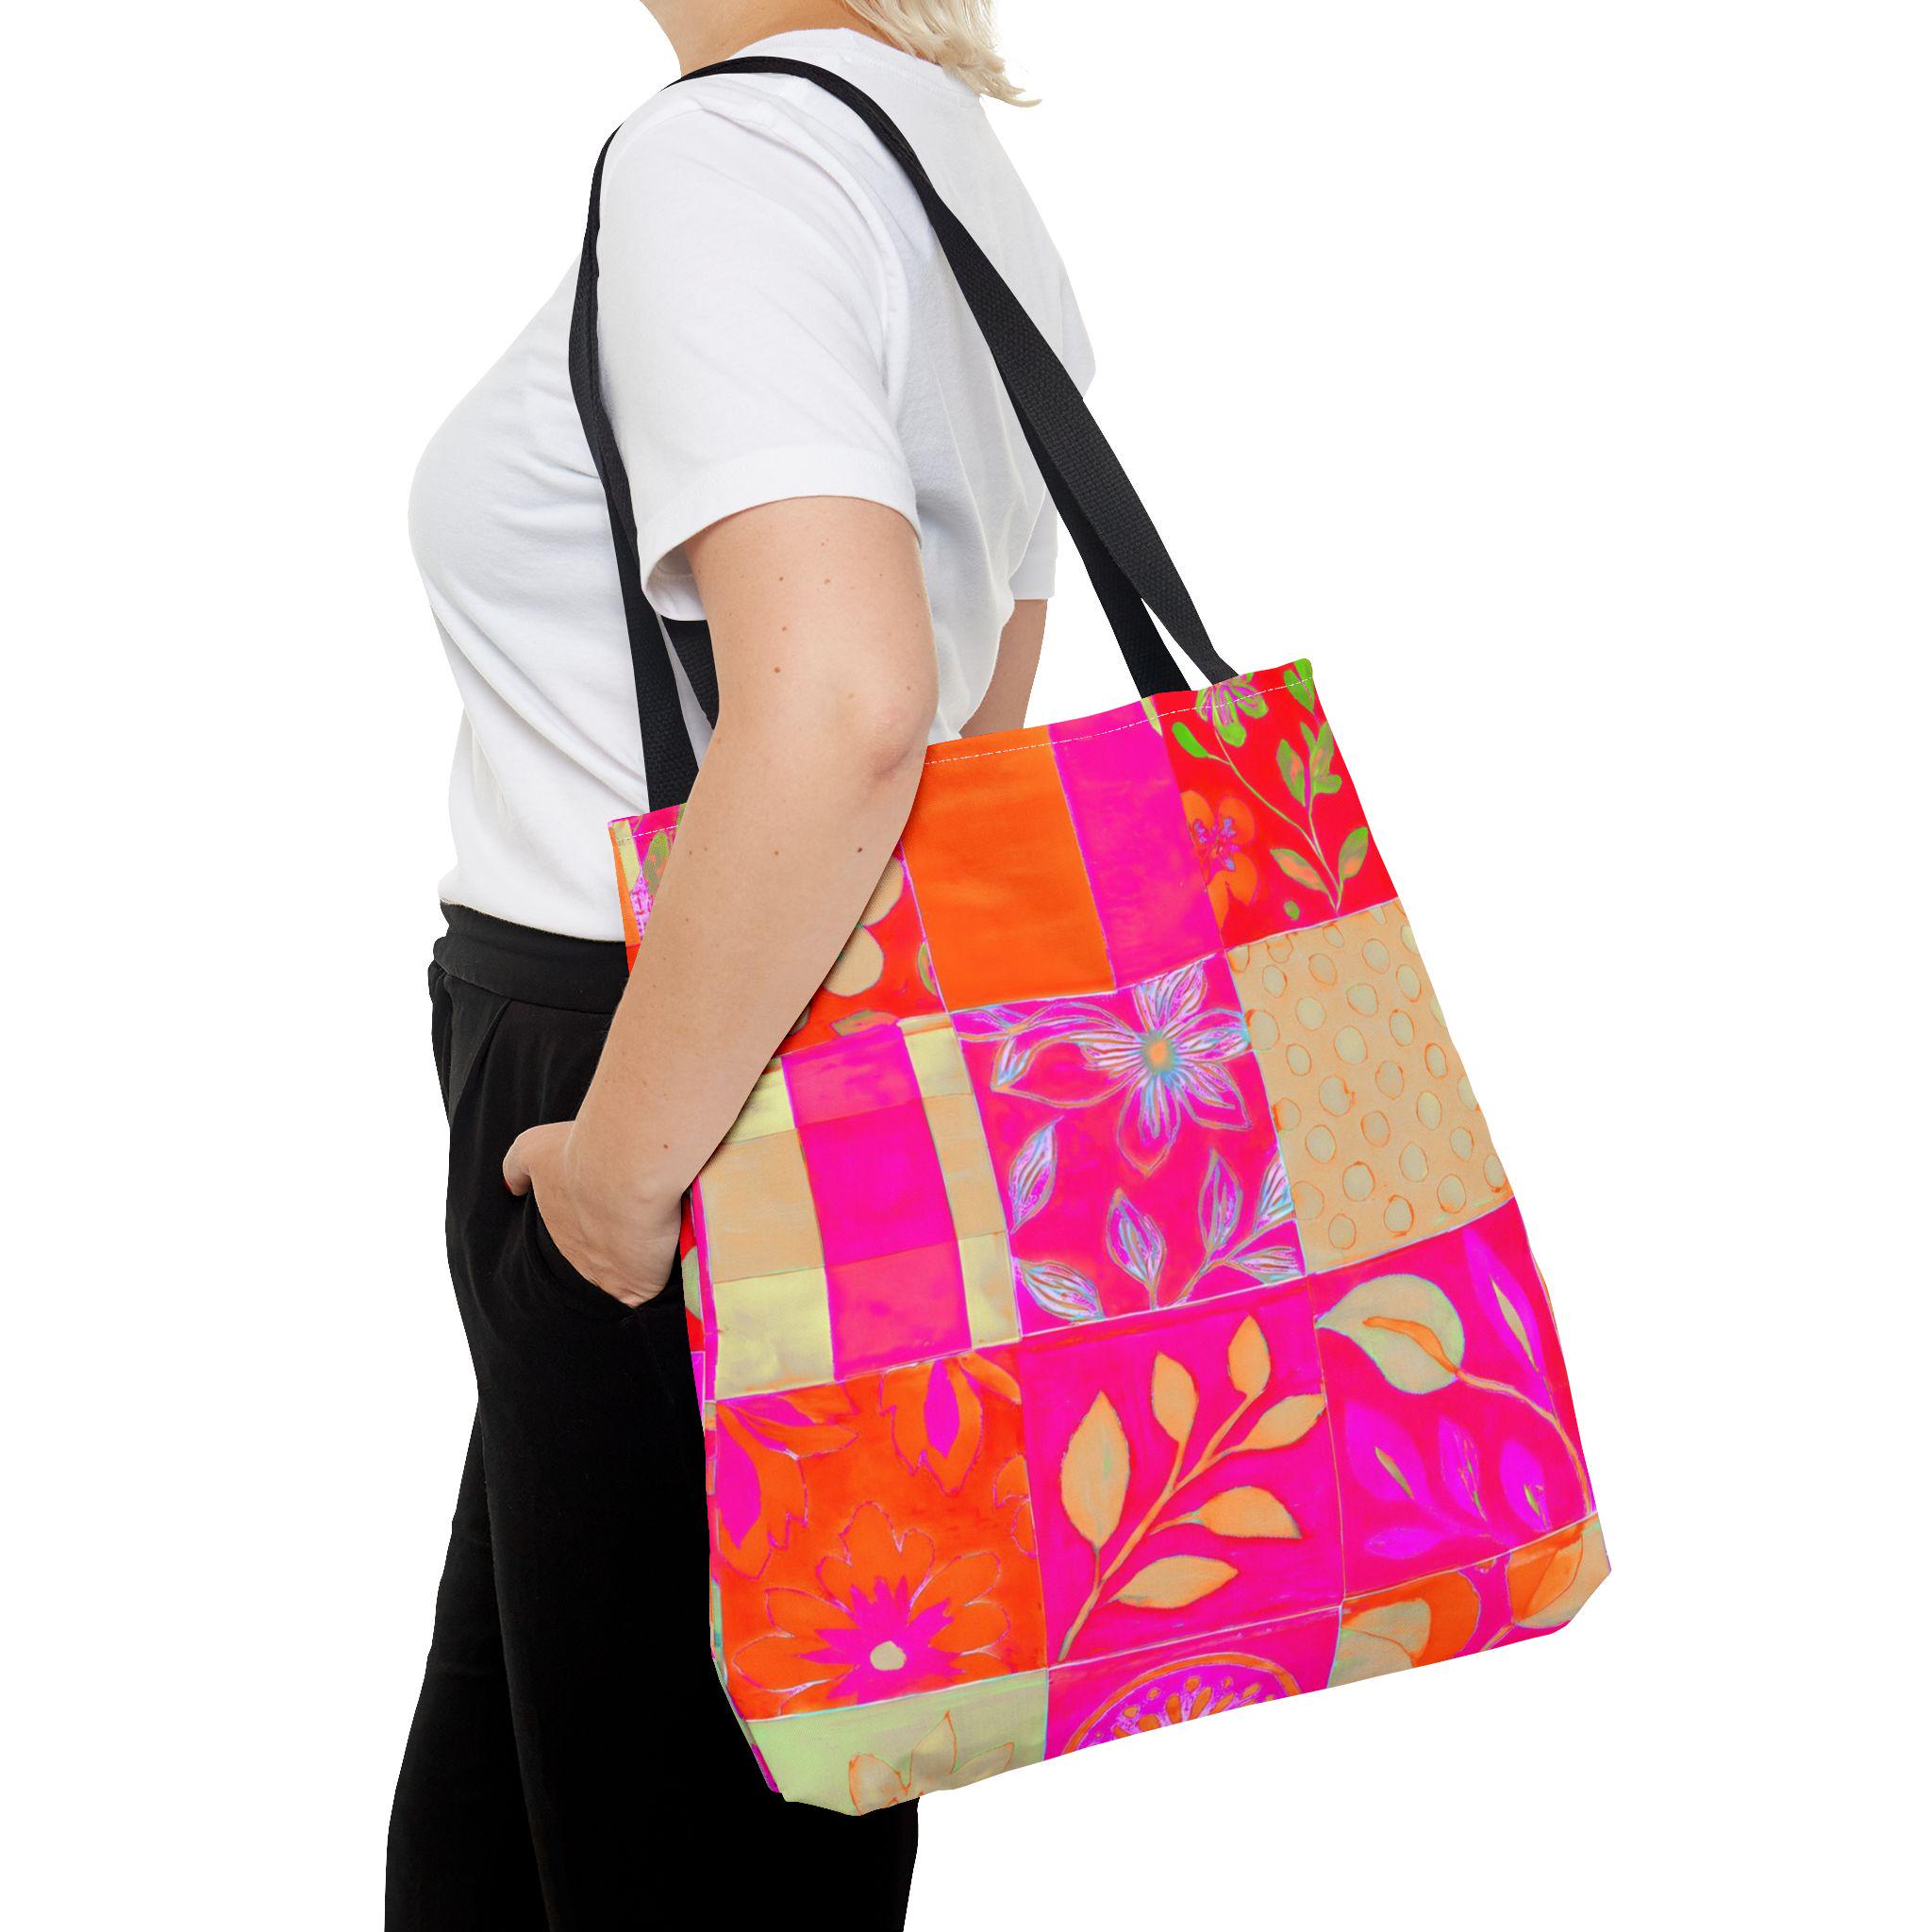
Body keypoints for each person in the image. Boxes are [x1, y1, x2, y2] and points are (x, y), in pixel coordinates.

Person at [389, 5, 1089, 1924]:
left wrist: (621, 1182)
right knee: (564, 1828)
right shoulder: (935, 150)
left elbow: (855, 702)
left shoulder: (731, 159)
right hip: (788, 1048)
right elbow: (978, 713)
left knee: (663, 1853)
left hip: (653, 1080)